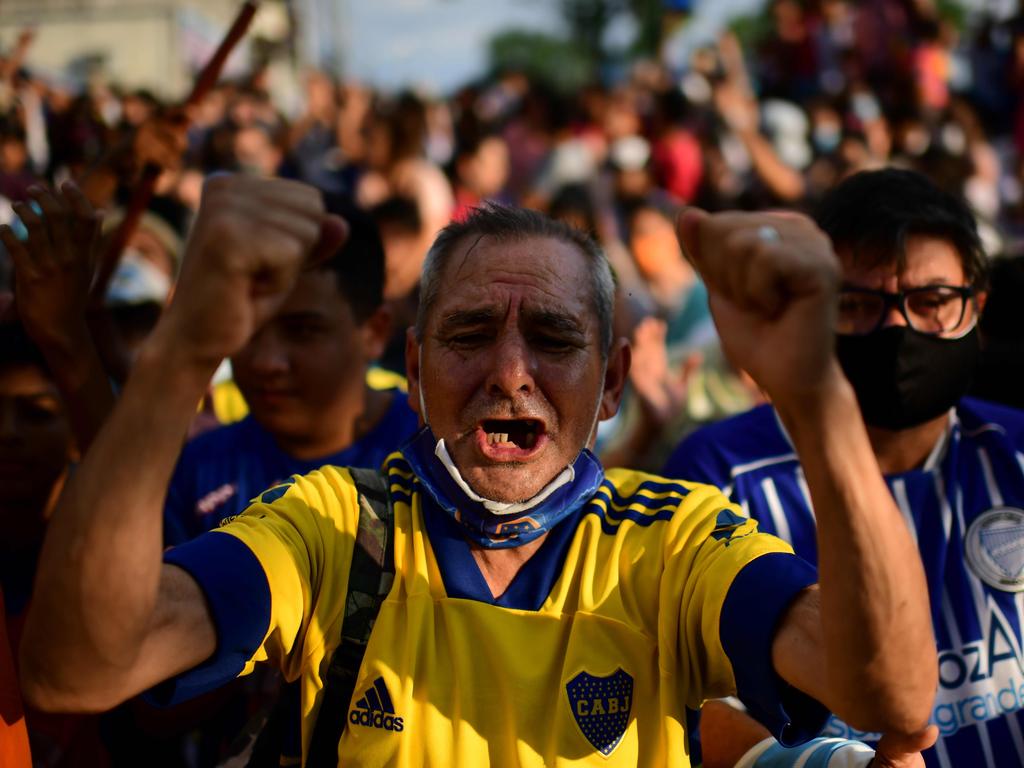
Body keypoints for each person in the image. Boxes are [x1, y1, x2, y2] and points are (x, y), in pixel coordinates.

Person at [18, 174, 936, 767]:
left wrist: (816, 397)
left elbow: (889, 693)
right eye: (467, 335)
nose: (508, 372)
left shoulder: (672, 538)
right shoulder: (336, 522)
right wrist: (185, 347)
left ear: (611, 381)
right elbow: (77, 671)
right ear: (413, 372)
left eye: (553, 337)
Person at [664, 167, 1016, 768]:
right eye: (858, 305)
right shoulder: (719, 474)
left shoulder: (1015, 448)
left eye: (931, 301)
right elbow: (693, 697)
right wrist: (818, 763)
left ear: (976, 310)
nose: (897, 328)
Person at [163, 199, 419, 543]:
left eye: (302, 330)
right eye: (246, 328)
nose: (267, 361)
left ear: (375, 331)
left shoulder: (431, 459)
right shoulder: (197, 469)